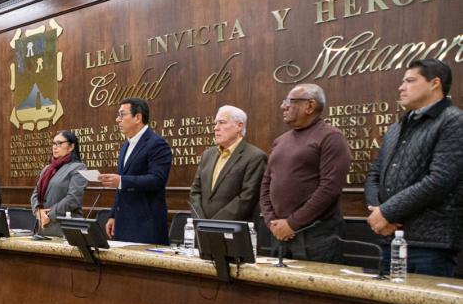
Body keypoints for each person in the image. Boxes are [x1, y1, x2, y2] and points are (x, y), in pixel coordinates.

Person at [365, 59, 463, 276]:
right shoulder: (396, 127)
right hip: (389, 237)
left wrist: (388, 212)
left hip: (430, 245)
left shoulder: (453, 120)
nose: (401, 87)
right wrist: (378, 213)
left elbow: (440, 179)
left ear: (434, 83)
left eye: (410, 81)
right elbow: (374, 175)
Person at [260, 84, 351, 263]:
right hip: (278, 233)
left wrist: (292, 223)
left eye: (289, 101)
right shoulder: (280, 141)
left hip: (316, 237)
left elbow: (330, 188)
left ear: (310, 106)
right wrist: (272, 221)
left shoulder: (331, 137)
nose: (283, 106)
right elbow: (265, 183)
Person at [99, 98, 172, 244]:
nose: (117, 119)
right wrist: (113, 215)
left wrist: (121, 181)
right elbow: (121, 188)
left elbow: (157, 179)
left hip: (146, 225)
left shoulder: (157, 143)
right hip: (123, 223)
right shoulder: (126, 146)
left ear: (138, 117)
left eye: (122, 115)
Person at [188, 106, 268, 222]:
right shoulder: (207, 154)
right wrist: (201, 221)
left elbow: (247, 198)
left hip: (233, 231)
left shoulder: (255, 157)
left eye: (222, 123)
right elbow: (195, 190)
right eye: (215, 124)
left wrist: (215, 225)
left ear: (239, 126)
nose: (216, 128)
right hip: (202, 228)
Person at [30, 131, 88, 236]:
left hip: (66, 229)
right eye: (54, 143)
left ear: (71, 147)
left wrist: (49, 215)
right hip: (43, 228)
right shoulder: (47, 169)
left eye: (59, 143)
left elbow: (73, 199)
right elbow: (35, 194)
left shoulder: (79, 167)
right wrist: (38, 211)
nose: (55, 147)